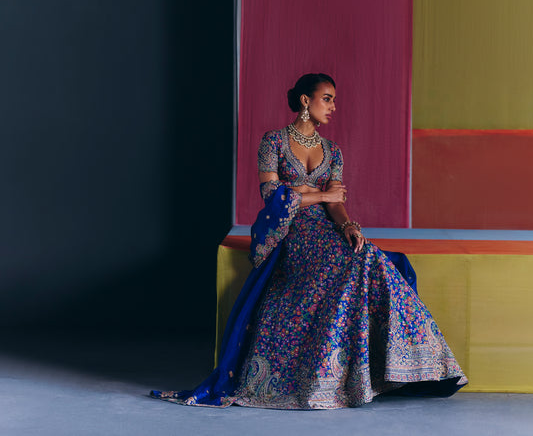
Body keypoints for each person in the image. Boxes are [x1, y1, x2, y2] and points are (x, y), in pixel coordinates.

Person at [151, 73, 467, 409]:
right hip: (291, 229)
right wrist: (320, 194)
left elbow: (336, 202)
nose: (333, 106)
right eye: (327, 98)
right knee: (353, 262)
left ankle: (398, 365)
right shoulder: (273, 142)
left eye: (334, 100)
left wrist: (347, 225)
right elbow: (271, 195)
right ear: (305, 100)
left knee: (369, 255)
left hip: (326, 227)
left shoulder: (332, 151)